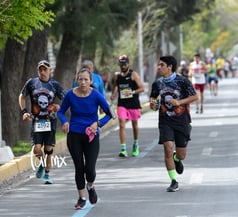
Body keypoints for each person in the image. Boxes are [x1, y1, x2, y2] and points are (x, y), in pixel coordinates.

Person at [57, 68, 114, 209]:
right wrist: (64, 121)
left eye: (86, 79)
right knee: (79, 167)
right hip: (74, 134)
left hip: (91, 136)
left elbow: (110, 113)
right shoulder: (71, 95)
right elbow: (60, 112)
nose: (83, 82)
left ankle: (91, 186)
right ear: (77, 80)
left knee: (90, 169)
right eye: (80, 79)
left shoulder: (96, 95)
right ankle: (81, 197)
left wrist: (98, 123)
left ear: (91, 81)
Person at [149, 55, 198, 192]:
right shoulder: (157, 83)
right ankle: (173, 180)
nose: (159, 67)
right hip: (165, 121)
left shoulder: (182, 81)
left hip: (182, 121)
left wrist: (179, 102)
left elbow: (195, 96)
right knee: (168, 148)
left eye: (161, 65)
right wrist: (153, 104)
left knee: (181, 154)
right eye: (159, 65)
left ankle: (177, 159)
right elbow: (153, 99)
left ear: (169, 67)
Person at [18, 60, 65, 184]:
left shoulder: (55, 85)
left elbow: (65, 100)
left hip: (50, 120)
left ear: (50, 70)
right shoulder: (32, 83)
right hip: (37, 121)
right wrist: (24, 111)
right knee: (37, 149)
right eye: (40, 69)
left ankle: (47, 174)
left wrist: (58, 107)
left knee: (48, 149)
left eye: (45, 69)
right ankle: (42, 164)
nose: (42, 71)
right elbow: (22, 96)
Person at [110, 55, 145, 157]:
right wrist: (113, 94)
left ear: (128, 64)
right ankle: (123, 148)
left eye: (124, 64)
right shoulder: (117, 75)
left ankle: (135, 144)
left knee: (134, 125)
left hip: (133, 103)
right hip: (122, 104)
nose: (123, 66)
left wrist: (132, 92)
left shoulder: (133, 74)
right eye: (121, 64)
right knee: (121, 124)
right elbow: (116, 86)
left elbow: (142, 88)